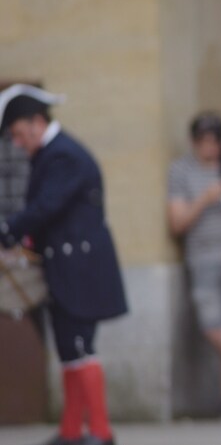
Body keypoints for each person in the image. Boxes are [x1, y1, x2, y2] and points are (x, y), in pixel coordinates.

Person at [0, 84, 128, 445]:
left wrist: (8, 230)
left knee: (81, 347)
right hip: (66, 267)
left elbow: (46, 207)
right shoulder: (52, 154)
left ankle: (101, 432)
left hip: (80, 268)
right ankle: (72, 431)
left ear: (37, 122)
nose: (19, 143)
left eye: (19, 134)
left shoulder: (63, 156)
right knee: (69, 349)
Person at [166, 112, 221, 417]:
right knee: (213, 326)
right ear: (193, 142)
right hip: (202, 257)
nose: (210, 147)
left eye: (215, 141)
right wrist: (205, 198)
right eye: (203, 141)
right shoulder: (181, 171)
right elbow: (176, 222)